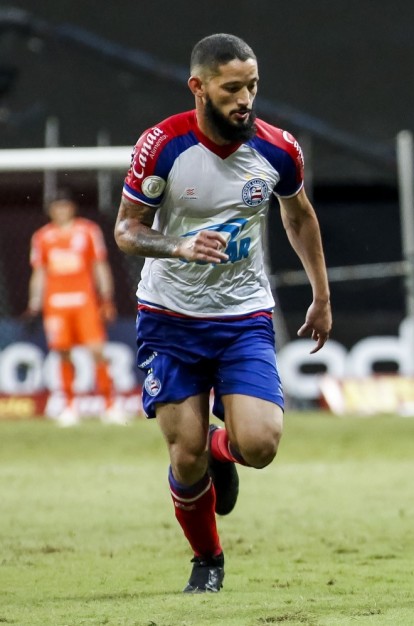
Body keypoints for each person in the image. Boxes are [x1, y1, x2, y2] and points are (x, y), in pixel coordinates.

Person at [114, 33, 332, 594]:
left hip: (242, 317)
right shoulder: (162, 146)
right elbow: (126, 230)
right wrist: (179, 246)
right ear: (199, 87)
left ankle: (223, 447)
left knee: (259, 445)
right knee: (184, 458)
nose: (245, 99)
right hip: (170, 317)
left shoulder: (278, 149)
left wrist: (322, 296)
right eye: (232, 88)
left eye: (252, 86)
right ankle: (207, 559)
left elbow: (300, 217)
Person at [26, 193, 123, 426]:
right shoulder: (42, 237)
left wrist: (106, 297)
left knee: (97, 351)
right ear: (51, 211)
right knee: (62, 352)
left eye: (65, 206)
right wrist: (33, 303)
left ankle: (110, 405)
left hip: (84, 302)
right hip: (56, 304)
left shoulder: (88, 231)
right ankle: (70, 406)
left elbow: (99, 265)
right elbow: (39, 272)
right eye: (56, 208)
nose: (61, 211)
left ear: (72, 208)